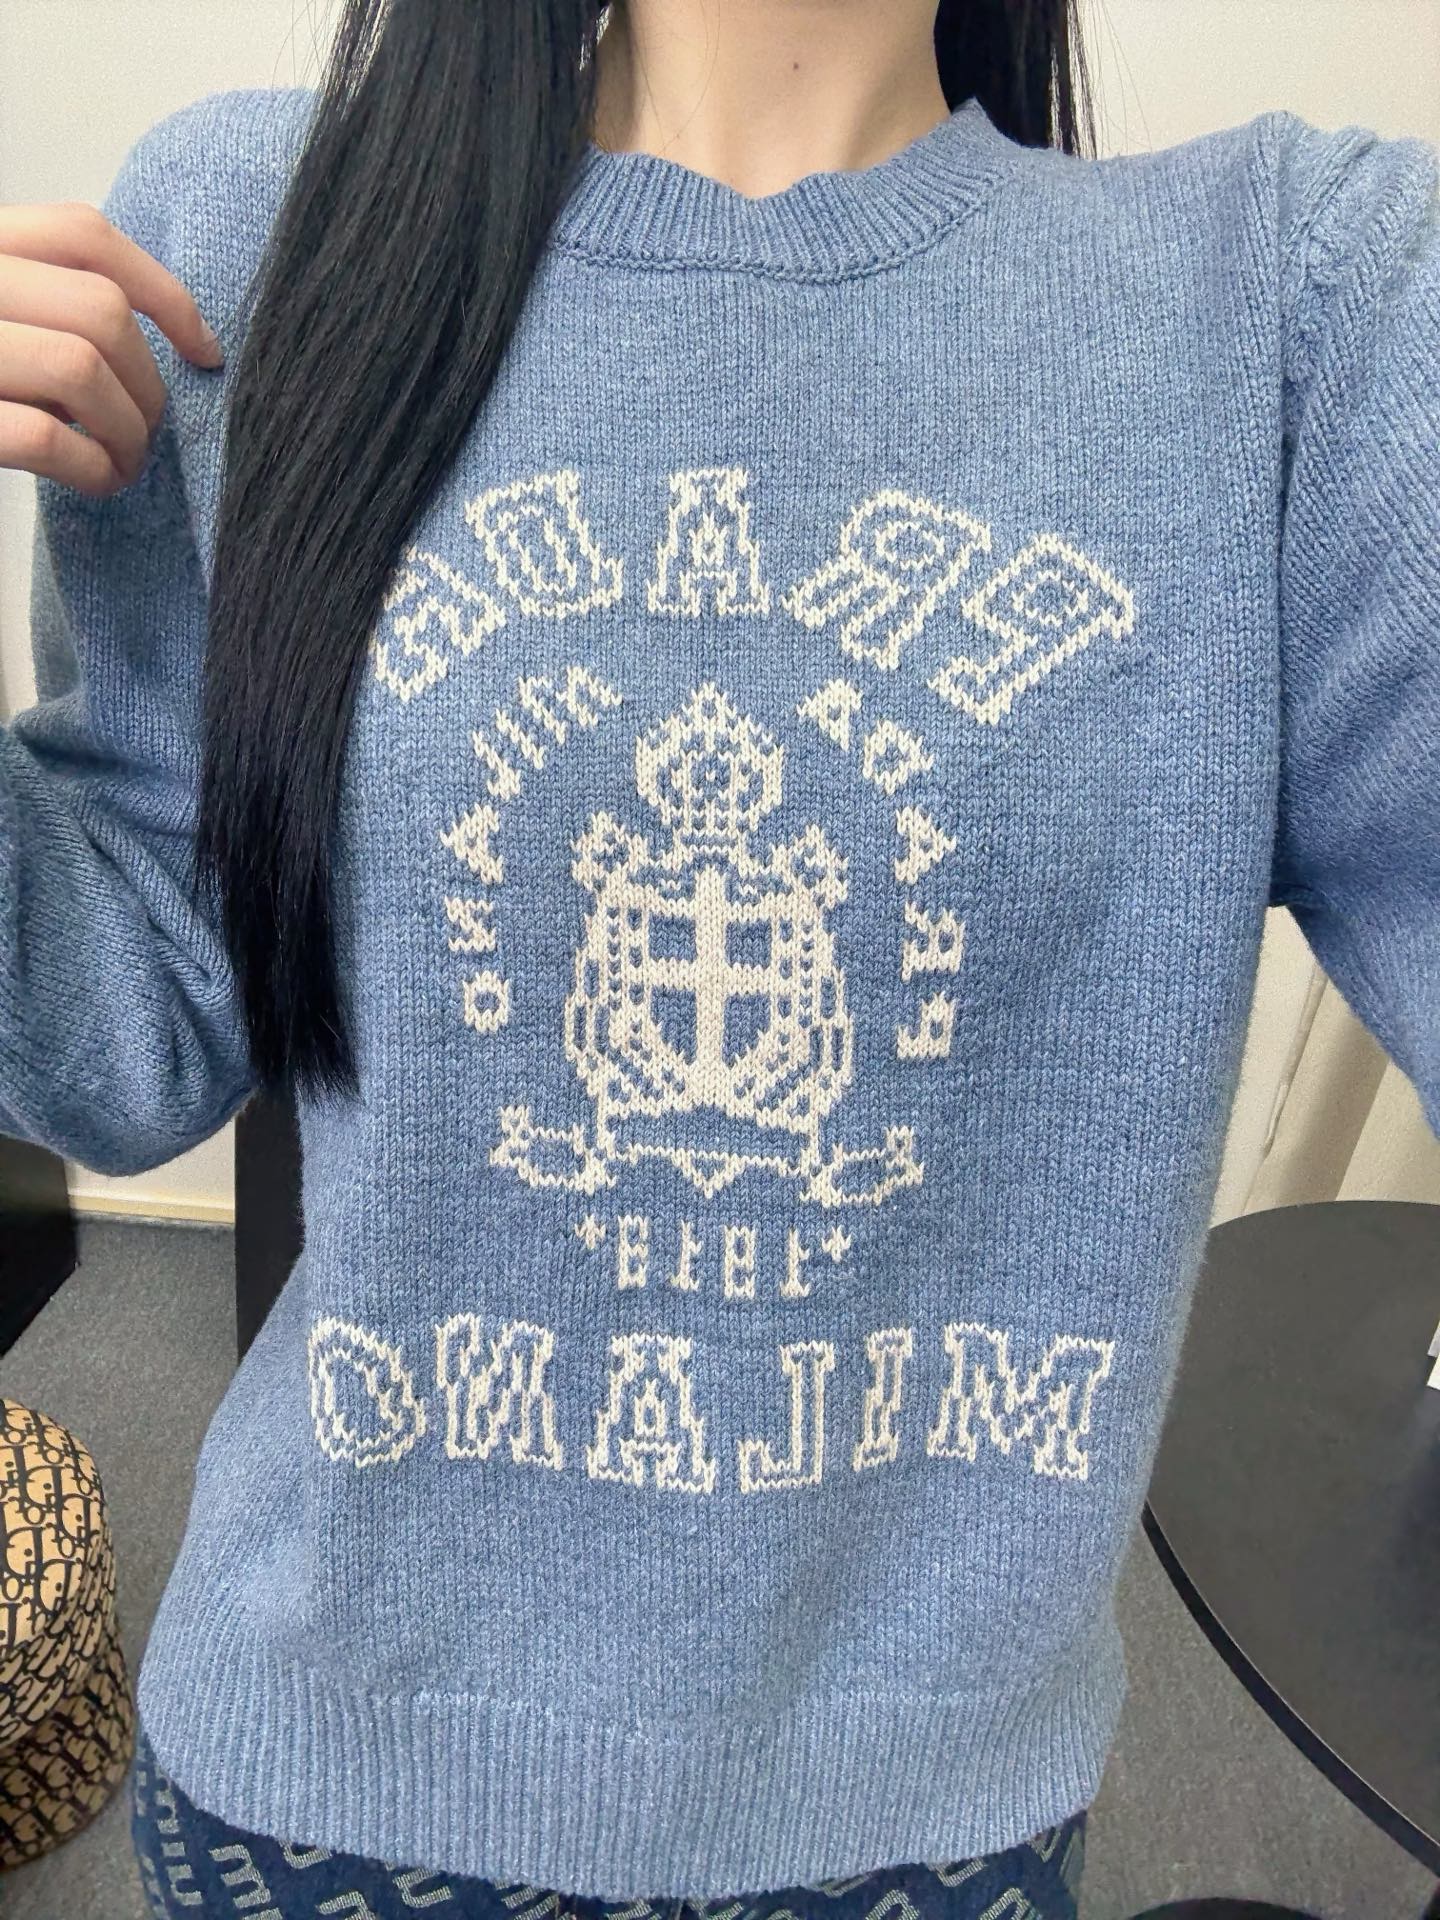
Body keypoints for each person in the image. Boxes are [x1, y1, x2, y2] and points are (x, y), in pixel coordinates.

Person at [1, 1, 1436, 1915]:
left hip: (919, 1833)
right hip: (317, 1779)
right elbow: (115, 1037)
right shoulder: (243, 240)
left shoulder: (1297, 319)